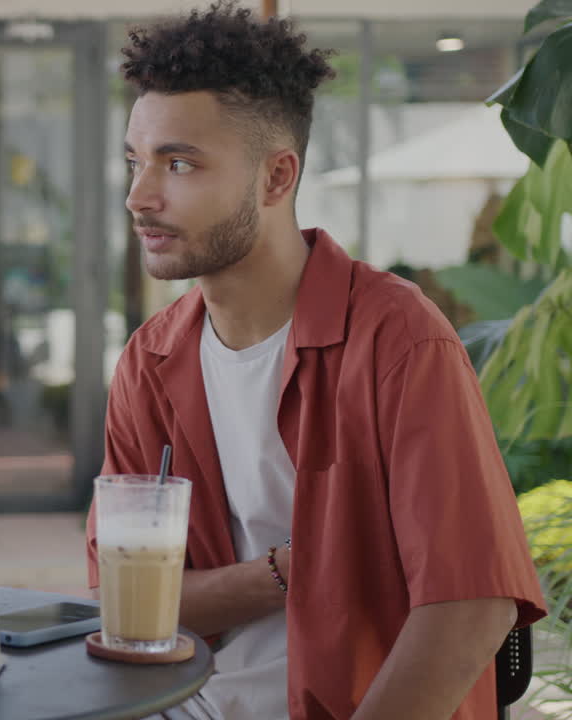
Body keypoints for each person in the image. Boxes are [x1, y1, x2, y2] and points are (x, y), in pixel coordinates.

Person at [84, 4, 545, 719]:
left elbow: (472, 606)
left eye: (178, 164)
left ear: (276, 178)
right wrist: (292, 571)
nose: (140, 196)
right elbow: (124, 597)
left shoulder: (398, 339)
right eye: (135, 162)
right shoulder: (151, 361)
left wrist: (272, 576)